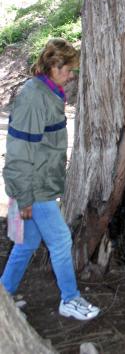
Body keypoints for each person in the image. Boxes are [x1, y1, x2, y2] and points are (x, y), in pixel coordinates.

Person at [0, 38, 100, 320]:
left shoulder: (49, 91)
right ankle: (70, 298)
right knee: (60, 239)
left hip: (40, 184)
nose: (71, 77)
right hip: (35, 187)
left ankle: (3, 299)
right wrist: (25, 196)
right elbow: (19, 152)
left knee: (27, 245)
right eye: (68, 70)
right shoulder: (33, 97)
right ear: (55, 66)